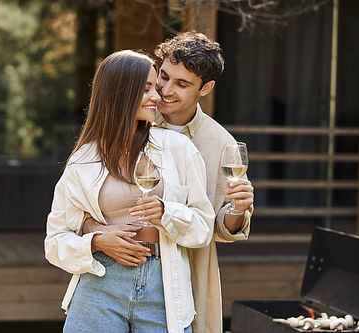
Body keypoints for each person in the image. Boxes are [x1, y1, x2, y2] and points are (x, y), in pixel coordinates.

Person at [83, 31, 254, 333]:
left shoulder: (220, 144)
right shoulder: (129, 120)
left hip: (184, 277)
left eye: (182, 84)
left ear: (206, 88)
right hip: (113, 275)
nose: (164, 90)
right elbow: (83, 201)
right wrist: (95, 231)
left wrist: (239, 208)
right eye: (163, 76)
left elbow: (218, 226)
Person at [44, 50, 216, 333]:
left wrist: (166, 212)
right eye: (146, 89)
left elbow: (202, 228)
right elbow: (55, 241)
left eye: (155, 88)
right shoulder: (84, 160)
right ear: (119, 93)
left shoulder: (178, 149)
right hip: (100, 283)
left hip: (163, 287)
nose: (157, 97)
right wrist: (97, 241)